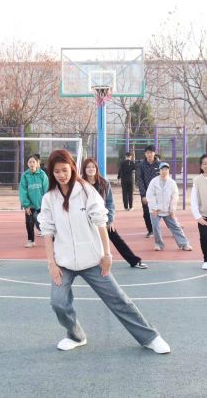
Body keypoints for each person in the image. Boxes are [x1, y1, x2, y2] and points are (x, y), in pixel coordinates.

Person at [38, 149, 169, 353]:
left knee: (118, 299)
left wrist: (107, 254)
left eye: (65, 170)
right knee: (58, 303)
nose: (61, 175)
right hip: (64, 262)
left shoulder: (86, 191)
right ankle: (76, 335)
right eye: (56, 172)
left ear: (72, 168)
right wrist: (51, 263)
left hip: (93, 260)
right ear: (51, 173)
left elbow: (101, 222)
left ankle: (150, 337)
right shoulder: (49, 198)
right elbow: (47, 232)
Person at [82, 158, 148, 269]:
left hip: (101, 218)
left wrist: (110, 219)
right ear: (84, 169)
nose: (91, 169)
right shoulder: (80, 184)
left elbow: (110, 203)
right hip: (85, 219)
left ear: (96, 169)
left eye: (93, 167)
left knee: (116, 238)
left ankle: (134, 261)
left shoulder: (104, 183)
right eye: (88, 167)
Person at [146, 162, 193, 252]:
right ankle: (159, 244)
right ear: (159, 171)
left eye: (166, 169)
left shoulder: (172, 183)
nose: (164, 171)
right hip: (156, 210)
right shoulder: (154, 182)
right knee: (155, 227)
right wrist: (154, 208)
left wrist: (172, 210)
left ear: (168, 171)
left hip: (167, 210)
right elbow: (150, 195)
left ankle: (184, 244)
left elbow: (174, 197)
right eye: (162, 169)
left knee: (175, 226)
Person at [19, 154, 49, 248]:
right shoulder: (25, 175)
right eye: (30, 162)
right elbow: (23, 191)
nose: (32, 164)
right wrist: (26, 205)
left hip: (42, 204)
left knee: (43, 223)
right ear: (27, 164)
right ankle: (31, 240)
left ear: (37, 163)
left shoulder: (42, 174)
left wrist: (46, 203)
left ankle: (51, 239)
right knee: (29, 223)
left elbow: (46, 189)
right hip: (30, 205)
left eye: (33, 162)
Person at [136, 145, 161, 238]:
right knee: (146, 213)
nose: (149, 154)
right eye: (147, 153)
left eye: (151, 152)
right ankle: (151, 230)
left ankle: (175, 228)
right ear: (145, 154)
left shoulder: (160, 165)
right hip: (146, 194)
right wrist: (143, 195)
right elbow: (140, 180)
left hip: (159, 194)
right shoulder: (141, 165)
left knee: (164, 212)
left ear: (154, 153)